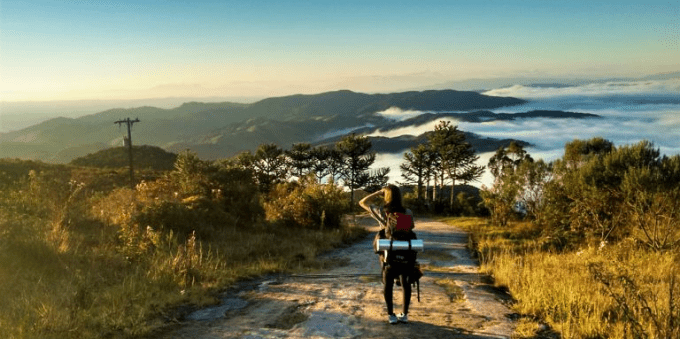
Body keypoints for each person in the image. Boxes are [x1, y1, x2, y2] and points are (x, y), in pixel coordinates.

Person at [359, 185, 415, 325]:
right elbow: (411, 227)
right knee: (405, 283)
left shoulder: (382, 212)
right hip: (406, 252)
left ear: (386, 196)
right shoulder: (408, 212)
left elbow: (362, 202)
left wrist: (378, 192)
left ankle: (391, 315)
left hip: (388, 252)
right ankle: (405, 315)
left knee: (388, 283)